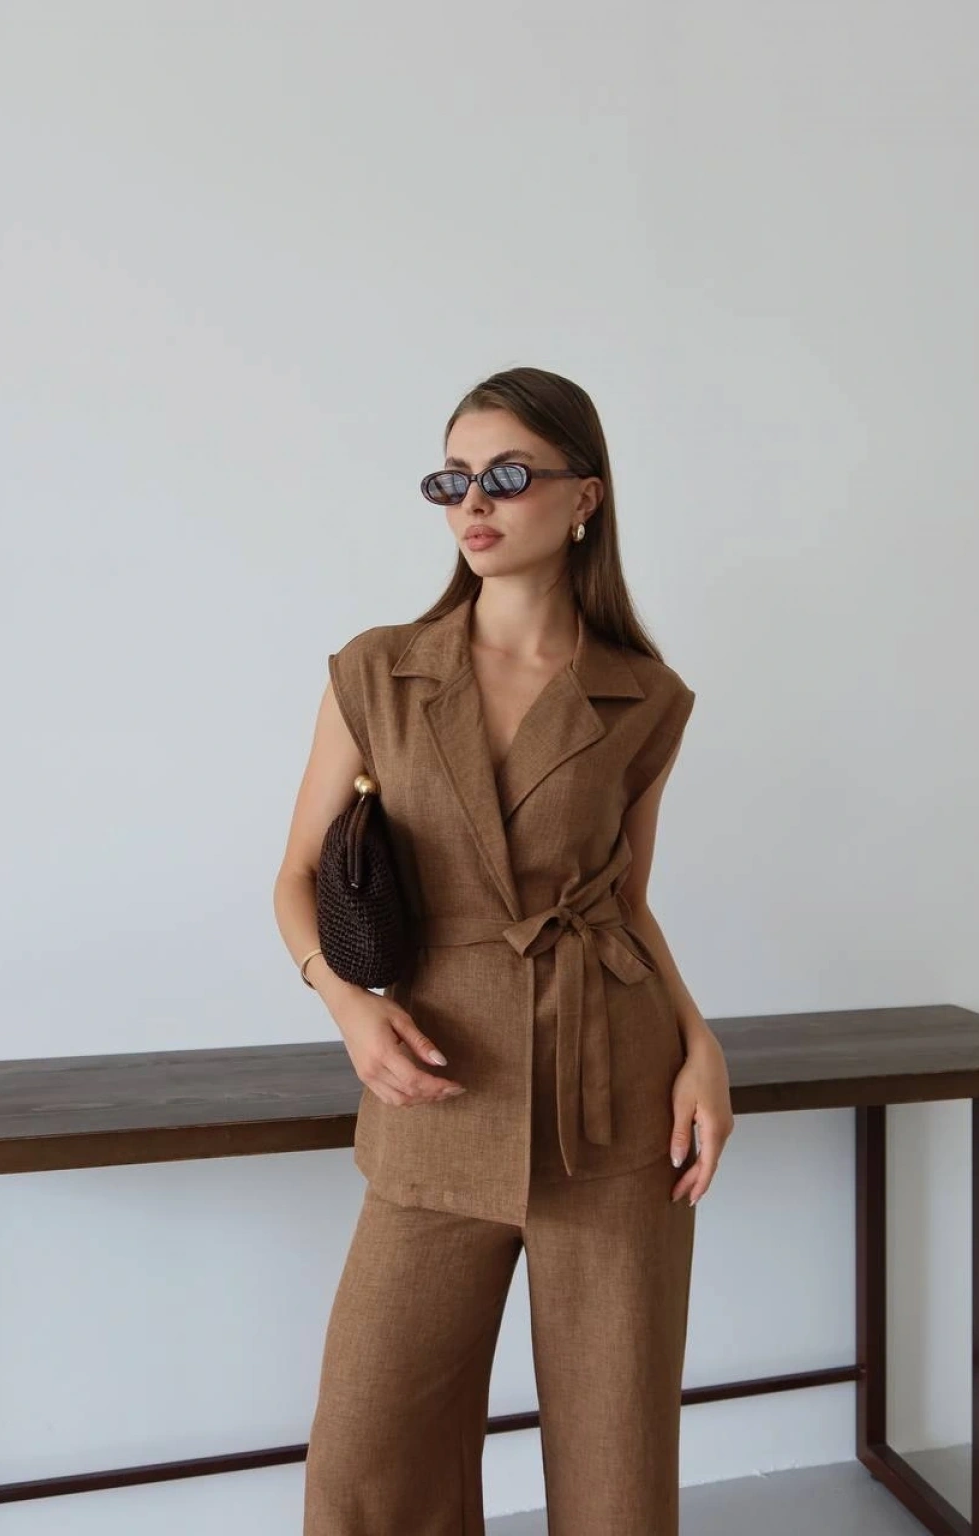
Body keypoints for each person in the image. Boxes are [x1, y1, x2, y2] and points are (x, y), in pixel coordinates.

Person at [272, 365, 734, 1535]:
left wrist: (700, 1047)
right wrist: (345, 1003)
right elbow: (294, 877)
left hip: (614, 1092)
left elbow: (627, 904)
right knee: (368, 1455)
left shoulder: (645, 697)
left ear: (584, 496)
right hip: (436, 1082)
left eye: (508, 475)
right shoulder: (378, 671)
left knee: (617, 1461)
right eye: (452, 480)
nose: (473, 503)